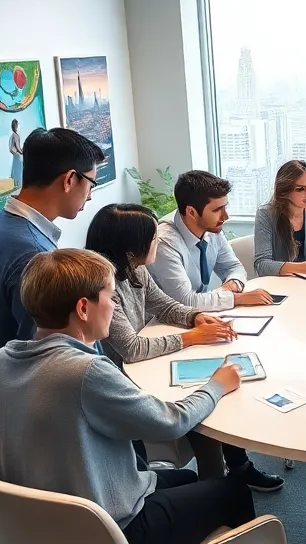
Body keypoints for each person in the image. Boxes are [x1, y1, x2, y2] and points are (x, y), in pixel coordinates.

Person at [0, 249, 306, 544]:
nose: (115, 307)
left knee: (183, 478)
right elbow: (170, 422)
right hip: (106, 542)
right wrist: (218, 384)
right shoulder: (84, 372)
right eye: (111, 297)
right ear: (83, 308)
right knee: (232, 492)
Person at [86, 203, 284, 493]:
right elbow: (131, 347)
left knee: (216, 382)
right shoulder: (105, 288)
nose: (158, 242)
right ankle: (214, 489)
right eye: (153, 238)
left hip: (148, 363)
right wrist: (192, 337)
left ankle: (234, 470)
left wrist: (194, 317)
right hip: (128, 377)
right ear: (131, 247)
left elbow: (162, 304)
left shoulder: (135, 270)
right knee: (204, 400)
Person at [0, 128, 103, 454]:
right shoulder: (31, 254)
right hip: (12, 421)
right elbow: (51, 360)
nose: (91, 195)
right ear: (68, 180)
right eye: (91, 183)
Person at [148, 170, 273, 310]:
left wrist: (233, 282)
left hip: (199, 315)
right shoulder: (164, 242)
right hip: (164, 323)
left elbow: (233, 267)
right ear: (191, 212)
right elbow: (184, 301)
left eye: (225, 207)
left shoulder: (211, 228)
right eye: (217, 210)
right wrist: (238, 298)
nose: (226, 216)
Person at [8, 119, 23, 191]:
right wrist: (22, 152)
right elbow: (17, 146)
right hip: (17, 155)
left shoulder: (12, 135)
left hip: (15, 155)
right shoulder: (16, 136)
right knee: (19, 170)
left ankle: (17, 185)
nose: (19, 126)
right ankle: (19, 185)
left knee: (16, 170)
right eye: (18, 125)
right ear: (16, 126)